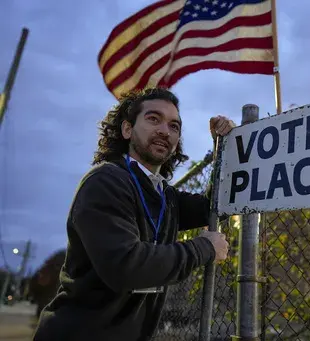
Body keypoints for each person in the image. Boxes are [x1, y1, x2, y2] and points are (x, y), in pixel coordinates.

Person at [33, 87, 234, 341]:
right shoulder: (105, 181)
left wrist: (223, 149)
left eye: (174, 126)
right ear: (127, 130)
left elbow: (215, 205)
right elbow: (126, 266)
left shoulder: (164, 195)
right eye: (153, 119)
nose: (165, 130)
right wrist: (203, 248)